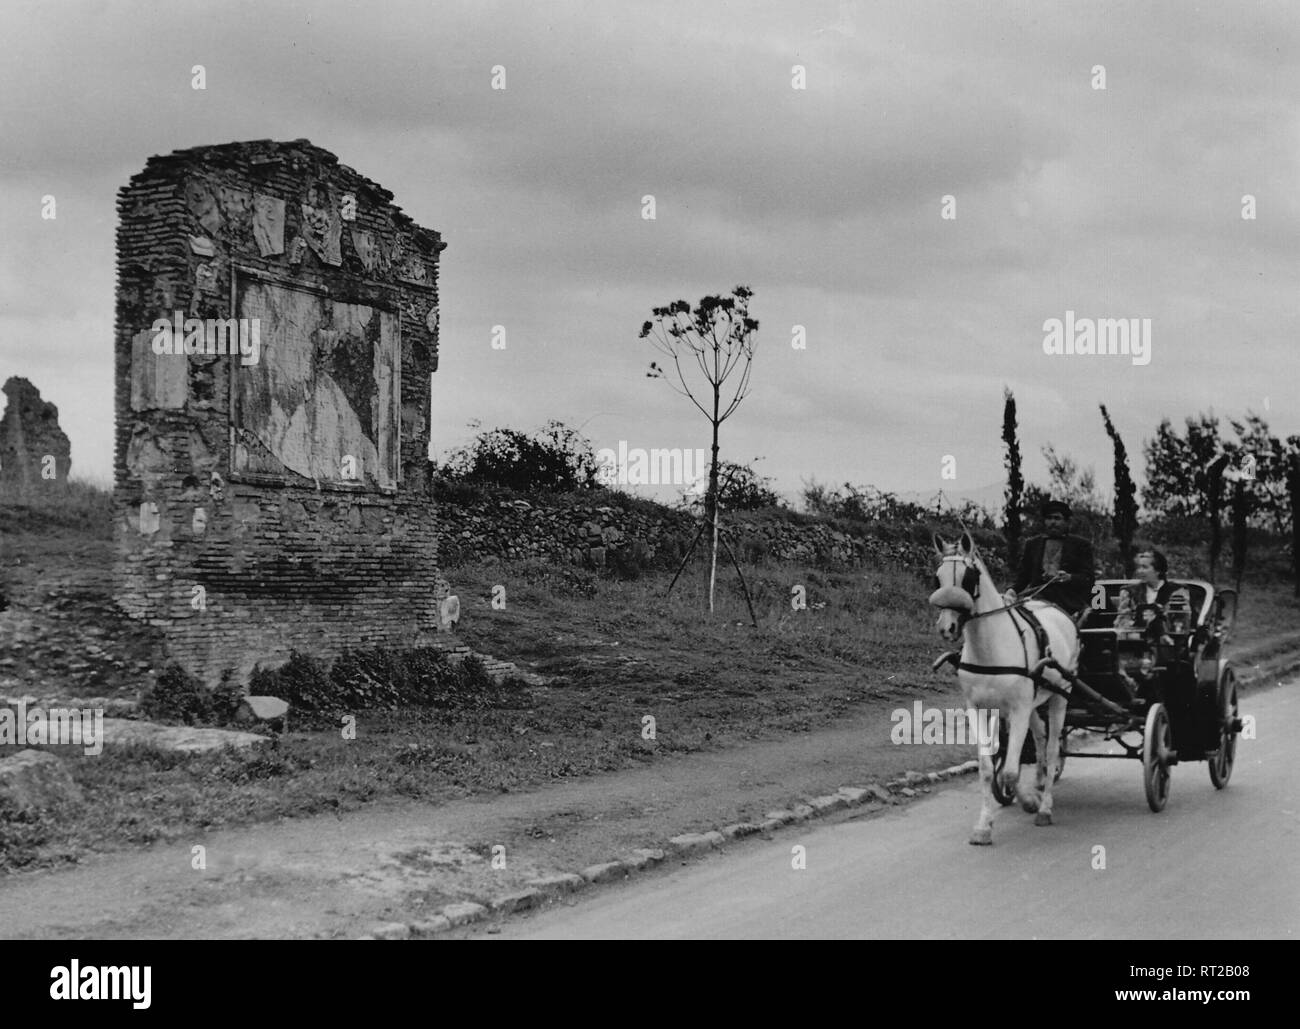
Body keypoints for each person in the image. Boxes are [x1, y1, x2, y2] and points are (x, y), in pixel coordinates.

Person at [1002, 500, 1095, 616]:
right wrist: (1012, 591)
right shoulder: (1032, 544)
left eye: (1057, 518)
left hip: (1069, 603)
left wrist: (1069, 577)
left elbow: (1088, 578)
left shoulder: (1081, 545)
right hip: (1036, 600)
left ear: (1067, 522)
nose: (1052, 522)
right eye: (1049, 518)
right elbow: (1023, 576)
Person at [1115, 549, 1188, 638]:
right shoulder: (1129, 592)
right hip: (1136, 643)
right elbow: (1121, 621)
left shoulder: (1177, 591)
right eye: (1139, 567)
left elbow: (1181, 620)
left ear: (1158, 570)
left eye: (1144, 567)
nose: (1139, 571)